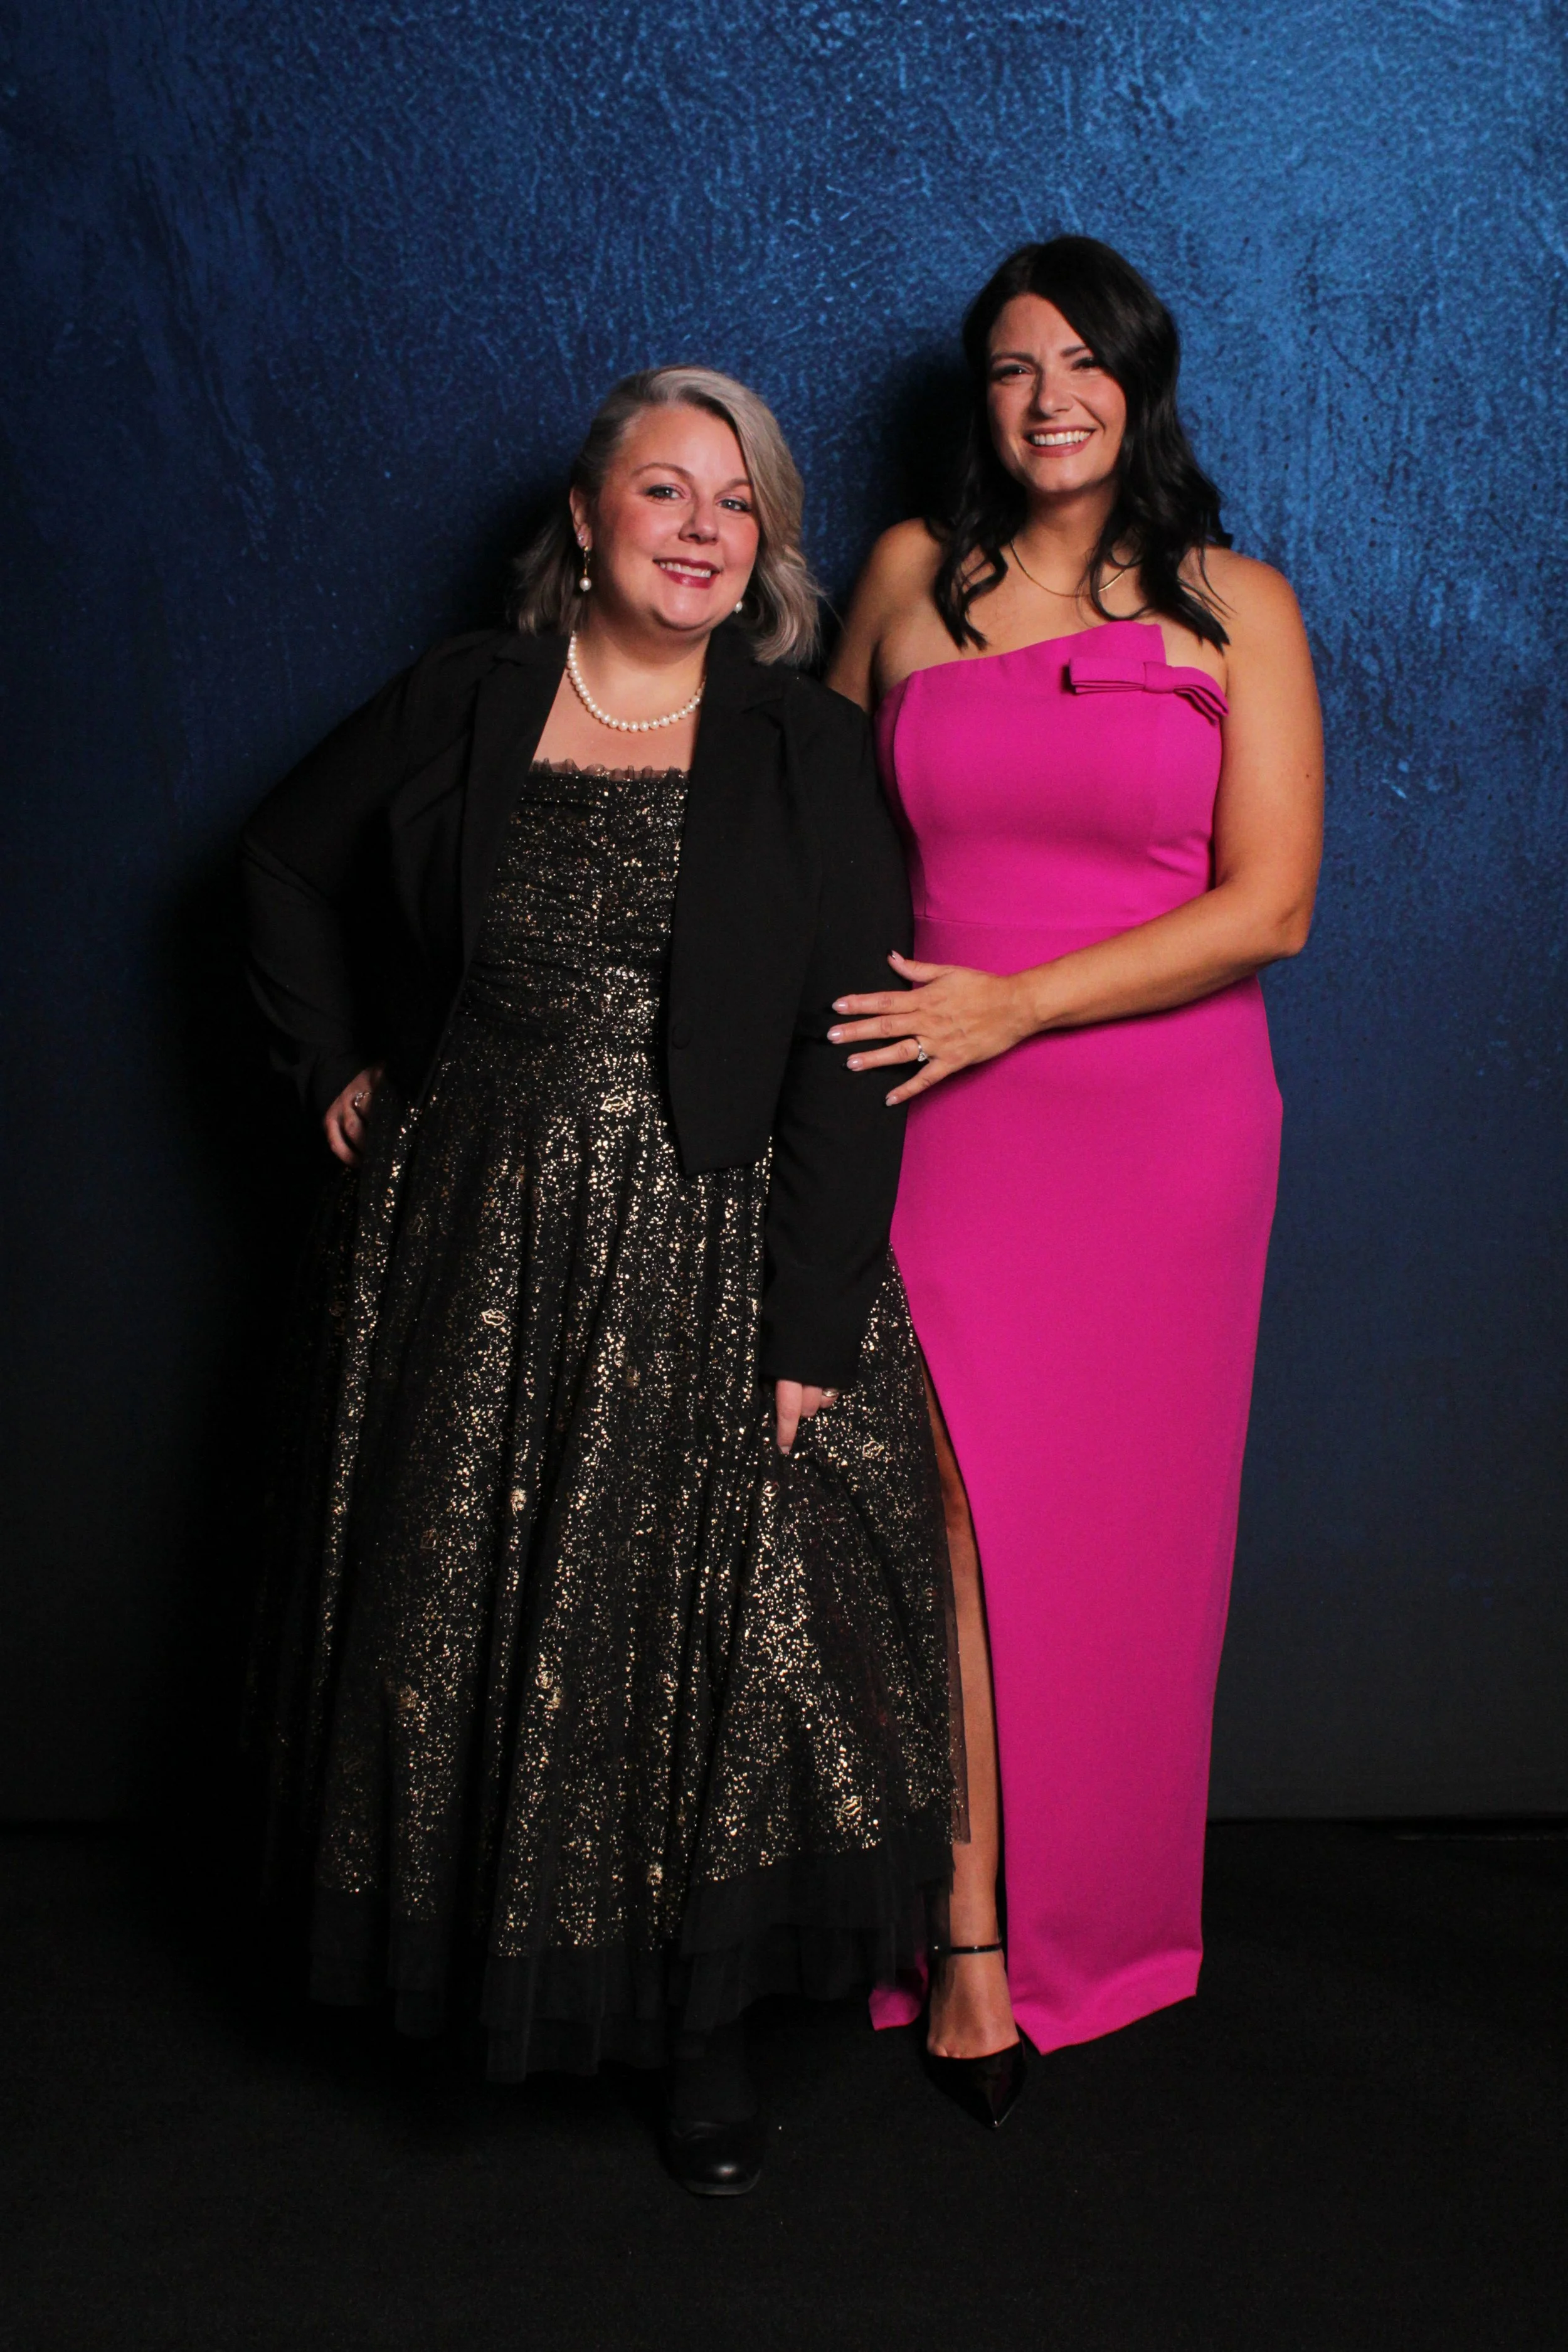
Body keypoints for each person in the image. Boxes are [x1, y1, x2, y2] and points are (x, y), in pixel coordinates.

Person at [242, 366, 958, 2196]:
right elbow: (273, 866)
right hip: (474, 1230)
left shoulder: (799, 744)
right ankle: (492, 1982)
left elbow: (849, 1047)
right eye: (668, 490)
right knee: (475, 1627)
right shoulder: (467, 700)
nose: (708, 525)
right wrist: (332, 1061)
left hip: (711, 1242)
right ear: (586, 518)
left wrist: (810, 1326)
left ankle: (694, 2036)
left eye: (739, 500)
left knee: (693, 1649)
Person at [828, 236, 1323, 2122]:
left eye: (1083, 362)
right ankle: (959, 1932)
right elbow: (786, 820)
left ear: (1138, 387)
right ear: (985, 398)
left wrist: (1014, 1003)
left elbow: (1266, 904)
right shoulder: (897, 581)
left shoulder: (1236, 609)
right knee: (940, 1499)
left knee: (1121, 1538)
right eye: (1014, 365)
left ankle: (1096, 1930)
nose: (1050, 395)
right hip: (932, 1096)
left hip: (1155, 1117)